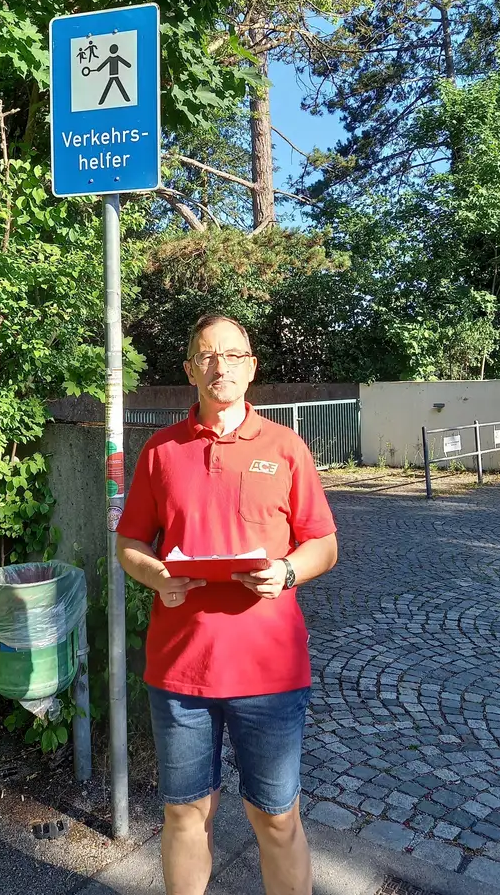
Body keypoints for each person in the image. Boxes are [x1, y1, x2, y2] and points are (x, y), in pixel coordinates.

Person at [115, 315, 339, 895]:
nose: (221, 367)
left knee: (276, 818)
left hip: (270, 671)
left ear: (252, 367)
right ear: (190, 369)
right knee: (185, 814)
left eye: (234, 355)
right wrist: (156, 575)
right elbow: (129, 542)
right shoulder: (161, 451)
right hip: (181, 670)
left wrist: (286, 571)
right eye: (208, 356)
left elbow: (324, 544)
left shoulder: (286, 447)